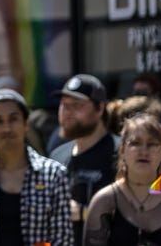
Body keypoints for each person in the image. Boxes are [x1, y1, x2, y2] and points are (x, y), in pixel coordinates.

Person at [0, 89, 72, 246]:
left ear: (26, 123)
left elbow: (62, 238)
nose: (7, 128)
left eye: (13, 119)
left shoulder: (53, 175)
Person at [83, 113, 161, 246]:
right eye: (135, 143)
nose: (143, 151)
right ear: (122, 150)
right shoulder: (105, 201)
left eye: (152, 144)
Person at [50, 74, 117, 245]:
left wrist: (83, 212)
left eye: (77, 106)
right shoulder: (57, 155)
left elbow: (142, 208)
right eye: (64, 105)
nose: (67, 112)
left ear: (100, 108)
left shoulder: (122, 152)